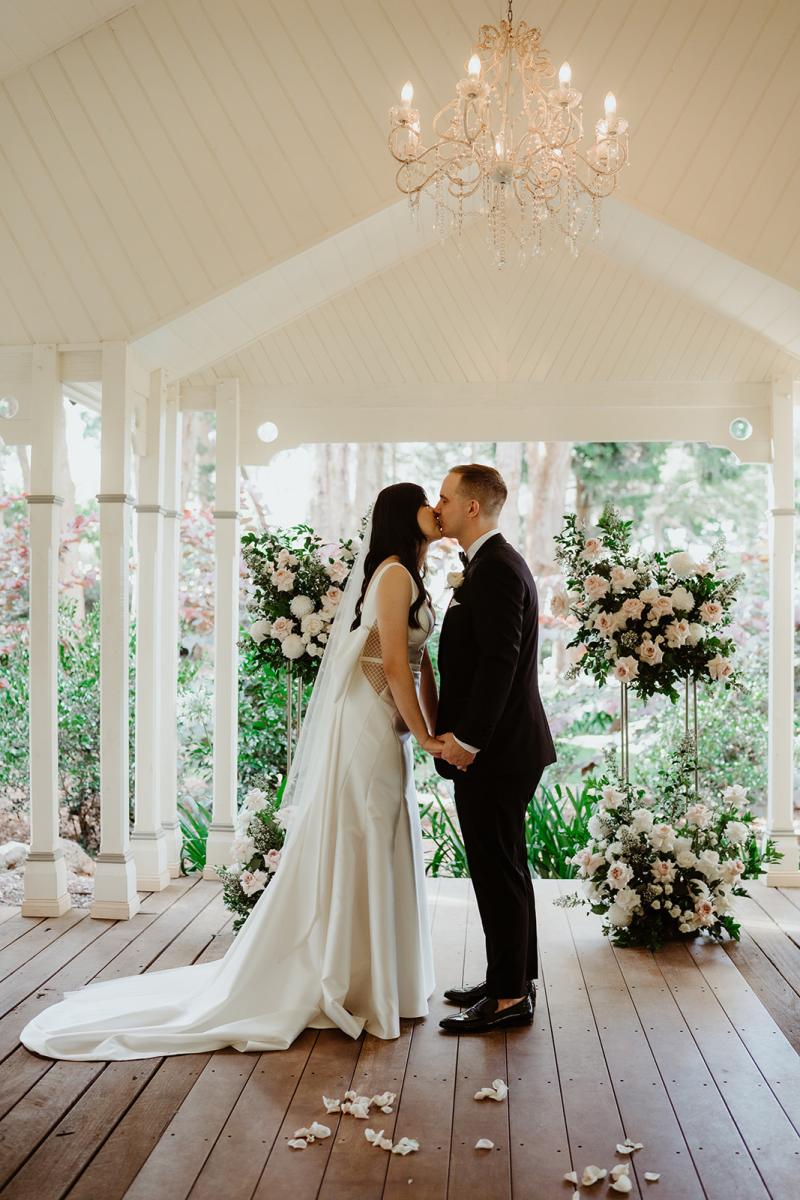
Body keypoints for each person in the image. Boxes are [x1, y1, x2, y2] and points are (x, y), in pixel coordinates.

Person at [19, 483, 443, 1060]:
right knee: (363, 828)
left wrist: (424, 723)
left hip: (380, 720)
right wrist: (418, 731)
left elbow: (414, 663)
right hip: (368, 724)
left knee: (377, 831)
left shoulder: (409, 574)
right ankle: (353, 979)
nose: (434, 510)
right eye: (426, 500)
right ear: (405, 513)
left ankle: (374, 975)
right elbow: (388, 661)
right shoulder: (393, 575)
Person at [433, 464, 556, 1034]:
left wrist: (467, 741)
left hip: (498, 751)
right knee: (502, 866)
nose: (439, 507)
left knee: (496, 867)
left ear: (472, 508)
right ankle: (510, 978)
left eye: (445, 497)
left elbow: (501, 663)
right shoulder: (485, 566)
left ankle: (509, 998)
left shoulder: (498, 570)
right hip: (502, 748)